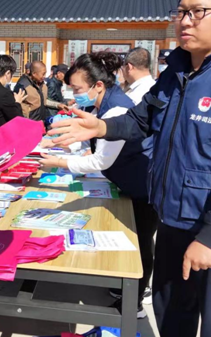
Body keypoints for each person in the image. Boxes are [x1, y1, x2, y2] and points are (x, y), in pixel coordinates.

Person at [49, 0, 211, 337]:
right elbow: (144, 119)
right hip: (172, 217)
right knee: (171, 312)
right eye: (181, 11)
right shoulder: (176, 72)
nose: (185, 21)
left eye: (198, 12)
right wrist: (100, 129)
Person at [38, 52, 155, 318]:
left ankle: (134, 303)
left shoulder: (117, 109)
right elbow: (85, 138)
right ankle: (125, 289)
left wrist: (58, 162)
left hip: (142, 185)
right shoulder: (101, 104)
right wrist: (53, 142)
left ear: (97, 85)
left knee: (141, 242)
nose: (74, 94)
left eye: (78, 89)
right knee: (132, 237)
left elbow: (101, 159)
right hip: (125, 180)